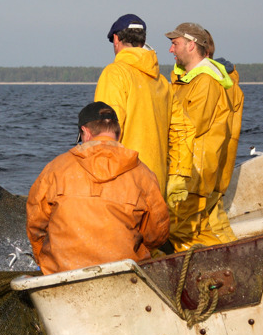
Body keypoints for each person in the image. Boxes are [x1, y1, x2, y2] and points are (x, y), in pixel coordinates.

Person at [26, 102, 169, 275]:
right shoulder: (143, 174)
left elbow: (35, 225)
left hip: (62, 273)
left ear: (85, 132)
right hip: (124, 272)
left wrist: (44, 260)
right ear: (118, 132)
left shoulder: (55, 168)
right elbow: (157, 234)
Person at [94, 14, 195, 206]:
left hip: (123, 187)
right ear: (142, 41)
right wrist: (178, 176)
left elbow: (106, 132)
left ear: (116, 39)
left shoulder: (115, 74)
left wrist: (98, 181)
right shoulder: (162, 83)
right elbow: (182, 131)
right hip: (156, 184)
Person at [165, 22, 234, 251]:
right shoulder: (188, 80)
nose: (171, 50)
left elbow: (190, 126)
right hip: (190, 170)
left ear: (191, 45)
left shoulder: (205, 81)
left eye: (175, 44)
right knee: (202, 229)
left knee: (179, 231)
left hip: (193, 172)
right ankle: (234, 261)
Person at [203, 29, 244, 243]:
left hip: (206, 167)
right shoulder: (229, 82)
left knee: (207, 222)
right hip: (220, 167)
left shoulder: (211, 83)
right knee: (217, 218)